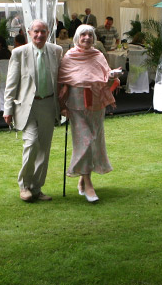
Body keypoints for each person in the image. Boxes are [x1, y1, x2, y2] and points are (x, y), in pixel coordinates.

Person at [58, 24, 121, 203]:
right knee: (85, 141)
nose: (87, 37)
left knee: (94, 141)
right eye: (83, 34)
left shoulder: (98, 55)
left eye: (90, 35)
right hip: (76, 106)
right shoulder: (69, 56)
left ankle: (81, 179)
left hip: (96, 104)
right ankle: (88, 183)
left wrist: (111, 77)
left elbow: (105, 80)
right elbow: (62, 81)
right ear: (77, 37)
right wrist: (61, 106)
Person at [3, 19, 63, 202]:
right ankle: (24, 186)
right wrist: (8, 109)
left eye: (43, 31)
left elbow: (62, 79)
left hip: (48, 104)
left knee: (44, 148)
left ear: (48, 33)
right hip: (27, 106)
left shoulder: (56, 51)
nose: (39, 35)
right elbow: (11, 83)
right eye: (36, 31)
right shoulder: (19, 53)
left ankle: (37, 187)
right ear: (29, 33)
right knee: (31, 142)